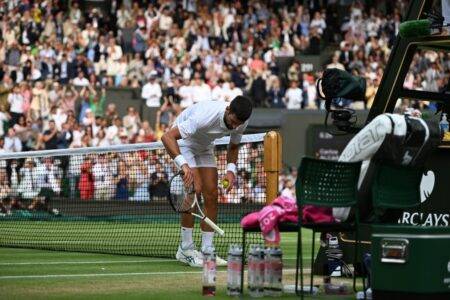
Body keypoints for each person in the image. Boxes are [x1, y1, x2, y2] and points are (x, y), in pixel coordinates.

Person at [161, 95, 253, 267]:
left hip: (204, 146)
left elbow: (233, 146)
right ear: (227, 110)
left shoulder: (241, 121)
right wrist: (184, 165)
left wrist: (231, 171)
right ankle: (185, 249)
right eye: (233, 121)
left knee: (211, 193)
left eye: (238, 123)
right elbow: (167, 137)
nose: (234, 126)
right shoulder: (204, 116)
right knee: (194, 190)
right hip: (184, 143)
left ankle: (207, 251)